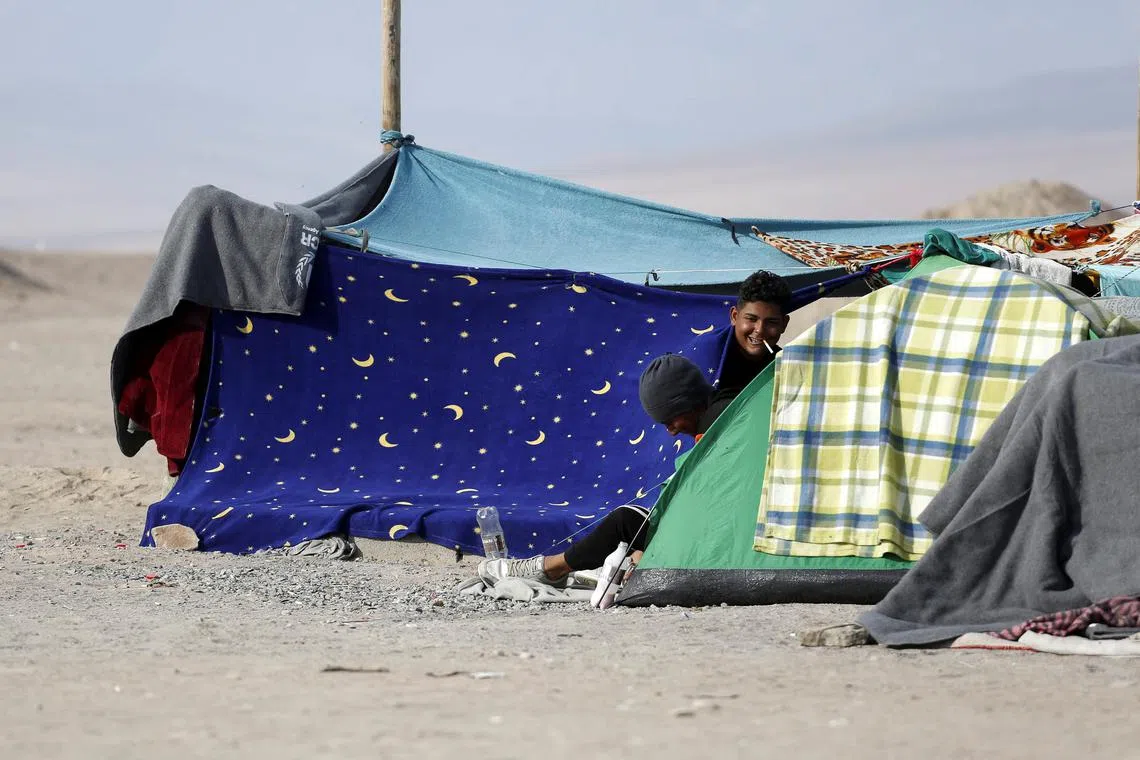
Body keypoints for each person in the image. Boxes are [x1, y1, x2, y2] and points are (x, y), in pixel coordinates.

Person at [478, 270, 792, 587]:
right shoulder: (718, 373)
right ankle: (577, 566)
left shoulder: (736, 406)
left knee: (626, 521)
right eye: (751, 320)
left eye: (771, 323)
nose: (760, 330)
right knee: (637, 520)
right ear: (735, 316)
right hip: (729, 515)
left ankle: (551, 568)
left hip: (740, 522)